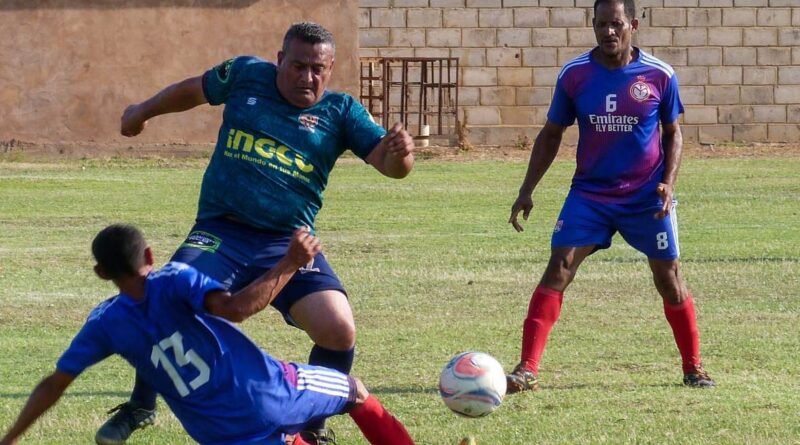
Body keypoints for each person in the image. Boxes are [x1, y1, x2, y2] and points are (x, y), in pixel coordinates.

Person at [104, 22, 415, 444]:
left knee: (338, 328)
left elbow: (390, 166)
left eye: (318, 69)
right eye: (299, 66)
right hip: (220, 233)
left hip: (288, 244)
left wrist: (401, 157)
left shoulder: (341, 112)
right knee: (166, 301)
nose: (308, 77)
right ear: (280, 59)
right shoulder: (246, 75)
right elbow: (192, 90)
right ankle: (141, 406)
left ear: (331, 68)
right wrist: (141, 112)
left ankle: (311, 429)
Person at [0, 224, 416, 445]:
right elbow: (235, 309)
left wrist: (12, 437)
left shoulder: (104, 323)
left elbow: (55, 384)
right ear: (149, 255)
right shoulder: (174, 279)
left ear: (101, 273)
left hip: (218, 434)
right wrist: (289, 263)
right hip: (267, 393)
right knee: (356, 392)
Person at [505, 0, 715, 393]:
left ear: (633, 24)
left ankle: (693, 367)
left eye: (616, 24)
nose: (609, 32)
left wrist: (669, 183)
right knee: (559, 266)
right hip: (590, 194)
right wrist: (527, 189)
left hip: (645, 195)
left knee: (669, 279)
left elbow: (673, 133)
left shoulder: (659, 75)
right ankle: (527, 368)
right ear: (593, 26)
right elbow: (551, 134)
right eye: (601, 25)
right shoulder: (575, 75)